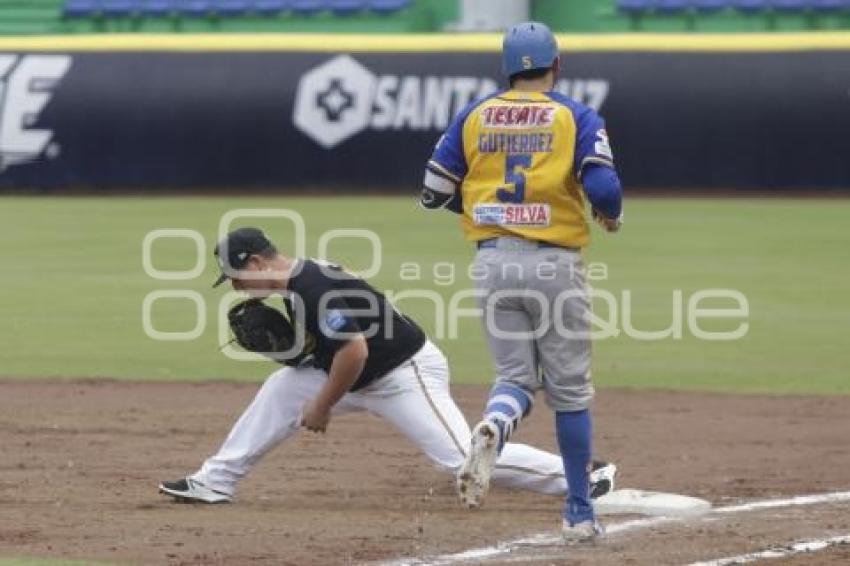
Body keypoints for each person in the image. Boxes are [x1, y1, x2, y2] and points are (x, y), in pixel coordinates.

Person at [159, 227, 617, 505]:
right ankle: (214, 482)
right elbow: (338, 348)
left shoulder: (314, 286)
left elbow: (353, 351)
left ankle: (583, 475)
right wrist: (303, 359)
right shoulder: (299, 282)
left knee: (459, 458)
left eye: (237, 278)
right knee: (281, 388)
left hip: (404, 374)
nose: (237, 288)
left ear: (257, 262)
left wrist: (320, 406)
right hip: (358, 369)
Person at [420, 22, 624, 542]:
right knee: (571, 394)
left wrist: (489, 212)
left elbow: (432, 190)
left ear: (507, 68)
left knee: (515, 378)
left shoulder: (474, 114)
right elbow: (604, 186)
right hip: (553, 264)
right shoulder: (574, 115)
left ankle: (496, 425)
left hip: (491, 263)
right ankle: (579, 513)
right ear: (556, 65)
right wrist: (609, 213)